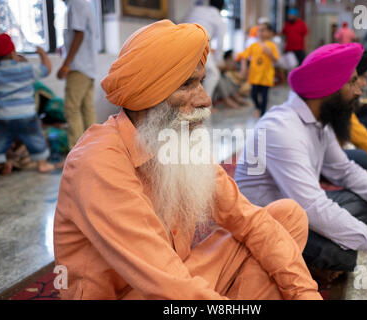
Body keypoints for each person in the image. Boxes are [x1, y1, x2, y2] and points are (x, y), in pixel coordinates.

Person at [53, 20, 321, 300]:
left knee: (287, 217)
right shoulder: (97, 162)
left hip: (175, 277)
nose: (205, 99)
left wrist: (305, 294)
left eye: (200, 82)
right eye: (187, 85)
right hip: (142, 291)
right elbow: (167, 284)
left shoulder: (175, 140)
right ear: (149, 93)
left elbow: (247, 219)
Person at [234, 43, 367, 297]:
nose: (361, 88)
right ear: (329, 89)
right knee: (340, 252)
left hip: (300, 209)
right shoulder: (280, 129)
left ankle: (316, 258)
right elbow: (314, 207)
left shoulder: (320, 120)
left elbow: (344, 170)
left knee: (366, 203)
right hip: (269, 224)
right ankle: (308, 261)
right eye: (352, 82)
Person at [0, 34, 55, 182]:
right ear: (13, 53)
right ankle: (42, 165)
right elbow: (46, 69)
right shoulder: (26, 69)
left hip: (1, 117)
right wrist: (42, 54)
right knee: (36, 139)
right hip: (26, 115)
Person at [57, 0, 97, 149]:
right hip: (87, 67)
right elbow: (79, 35)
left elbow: (79, 35)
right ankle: (93, 151)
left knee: (71, 108)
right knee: (87, 109)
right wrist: (64, 49)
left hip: (79, 67)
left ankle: (76, 153)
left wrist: (66, 64)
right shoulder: (84, 4)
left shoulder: (75, 3)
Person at [183, 0, 226, 101]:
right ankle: (203, 103)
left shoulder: (195, 9)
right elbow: (220, 43)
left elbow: (179, 23)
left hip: (181, 42)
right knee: (213, 74)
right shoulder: (218, 18)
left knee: (187, 75)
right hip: (199, 44)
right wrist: (217, 61)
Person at [238, 23, 280, 117]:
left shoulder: (272, 46)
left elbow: (276, 60)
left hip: (266, 75)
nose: (260, 32)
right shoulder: (253, 45)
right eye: (259, 30)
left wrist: (270, 53)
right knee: (253, 94)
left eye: (263, 30)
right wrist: (244, 68)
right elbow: (244, 56)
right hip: (254, 75)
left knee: (264, 96)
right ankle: (258, 108)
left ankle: (263, 113)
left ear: (269, 33)